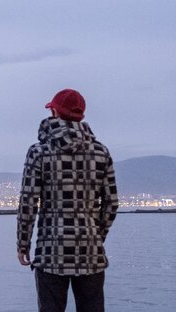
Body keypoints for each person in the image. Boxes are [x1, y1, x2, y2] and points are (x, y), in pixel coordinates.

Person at [16, 89, 118, 312]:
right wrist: (96, 235)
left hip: (51, 252)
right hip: (91, 253)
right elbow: (111, 203)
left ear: (54, 111)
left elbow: (28, 203)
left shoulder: (39, 152)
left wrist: (23, 244)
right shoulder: (101, 152)